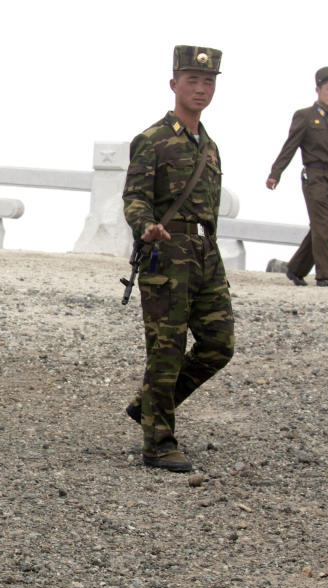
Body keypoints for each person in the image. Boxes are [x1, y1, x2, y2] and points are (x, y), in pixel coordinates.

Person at [122, 45, 235, 473]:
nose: (201, 89)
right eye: (193, 80)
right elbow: (134, 197)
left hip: (205, 253)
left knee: (219, 344)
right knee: (166, 352)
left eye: (208, 82)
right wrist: (145, 226)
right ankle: (158, 443)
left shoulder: (211, 146)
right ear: (174, 84)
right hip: (166, 254)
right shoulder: (152, 139)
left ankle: (148, 403)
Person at [266, 67, 328, 286]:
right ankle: (327, 274)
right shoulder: (305, 116)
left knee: (322, 226)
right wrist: (276, 173)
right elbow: (290, 146)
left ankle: (296, 268)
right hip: (314, 176)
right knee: (321, 225)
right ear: (318, 89)